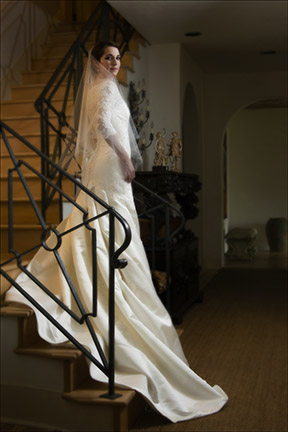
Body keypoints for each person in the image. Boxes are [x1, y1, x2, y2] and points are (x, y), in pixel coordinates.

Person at [6, 41, 228, 423]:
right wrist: (126, 159)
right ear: (95, 61)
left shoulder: (98, 88)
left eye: (117, 59)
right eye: (107, 58)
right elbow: (106, 127)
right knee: (107, 220)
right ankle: (101, 293)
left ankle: (97, 282)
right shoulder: (105, 89)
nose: (113, 63)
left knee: (100, 219)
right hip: (110, 162)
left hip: (103, 163)